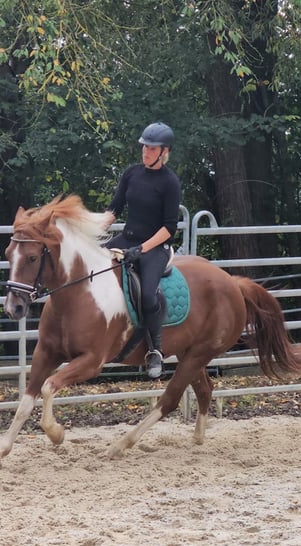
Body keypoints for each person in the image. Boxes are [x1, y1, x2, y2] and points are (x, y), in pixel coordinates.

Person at [104, 122, 181, 379]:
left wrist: (142, 248)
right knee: (94, 270)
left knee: (148, 295)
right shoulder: (131, 173)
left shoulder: (170, 182)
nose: (145, 151)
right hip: (127, 239)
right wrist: (93, 232)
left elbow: (170, 227)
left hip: (155, 247)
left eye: (151, 148)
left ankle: (155, 350)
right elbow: (114, 208)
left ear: (164, 151)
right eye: (144, 147)